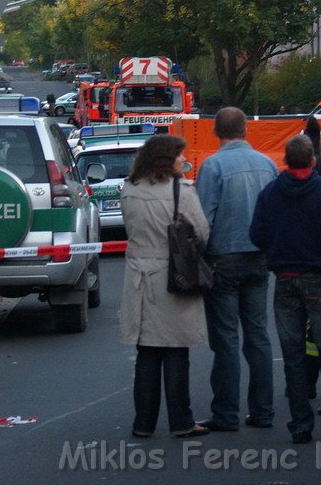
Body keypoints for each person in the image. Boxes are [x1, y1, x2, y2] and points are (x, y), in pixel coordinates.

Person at [250, 134, 321, 444]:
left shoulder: (271, 193)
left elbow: (256, 234)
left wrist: (276, 251)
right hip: (319, 277)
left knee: (293, 356)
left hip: (285, 279)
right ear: (313, 160)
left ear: (285, 160)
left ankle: (301, 425)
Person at [120, 134, 211, 438]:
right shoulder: (179, 190)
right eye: (179, 156)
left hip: (138, 277)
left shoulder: (129, 187)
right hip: (172, 275)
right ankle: (181, 421)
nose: (183, 160)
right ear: (167, 159)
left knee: (146, 352)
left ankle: (143, 422)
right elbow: (201, 232)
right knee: (175, 350)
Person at [195, 107, 278, 432]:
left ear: (216, 131)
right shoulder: (267, 164)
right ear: (246, 130)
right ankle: (263, 411)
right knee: (258, 335)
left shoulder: (213, 166)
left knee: (226, 339)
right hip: (259, 258)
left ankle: (226, 414)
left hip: (223, 259)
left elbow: (204, 220)